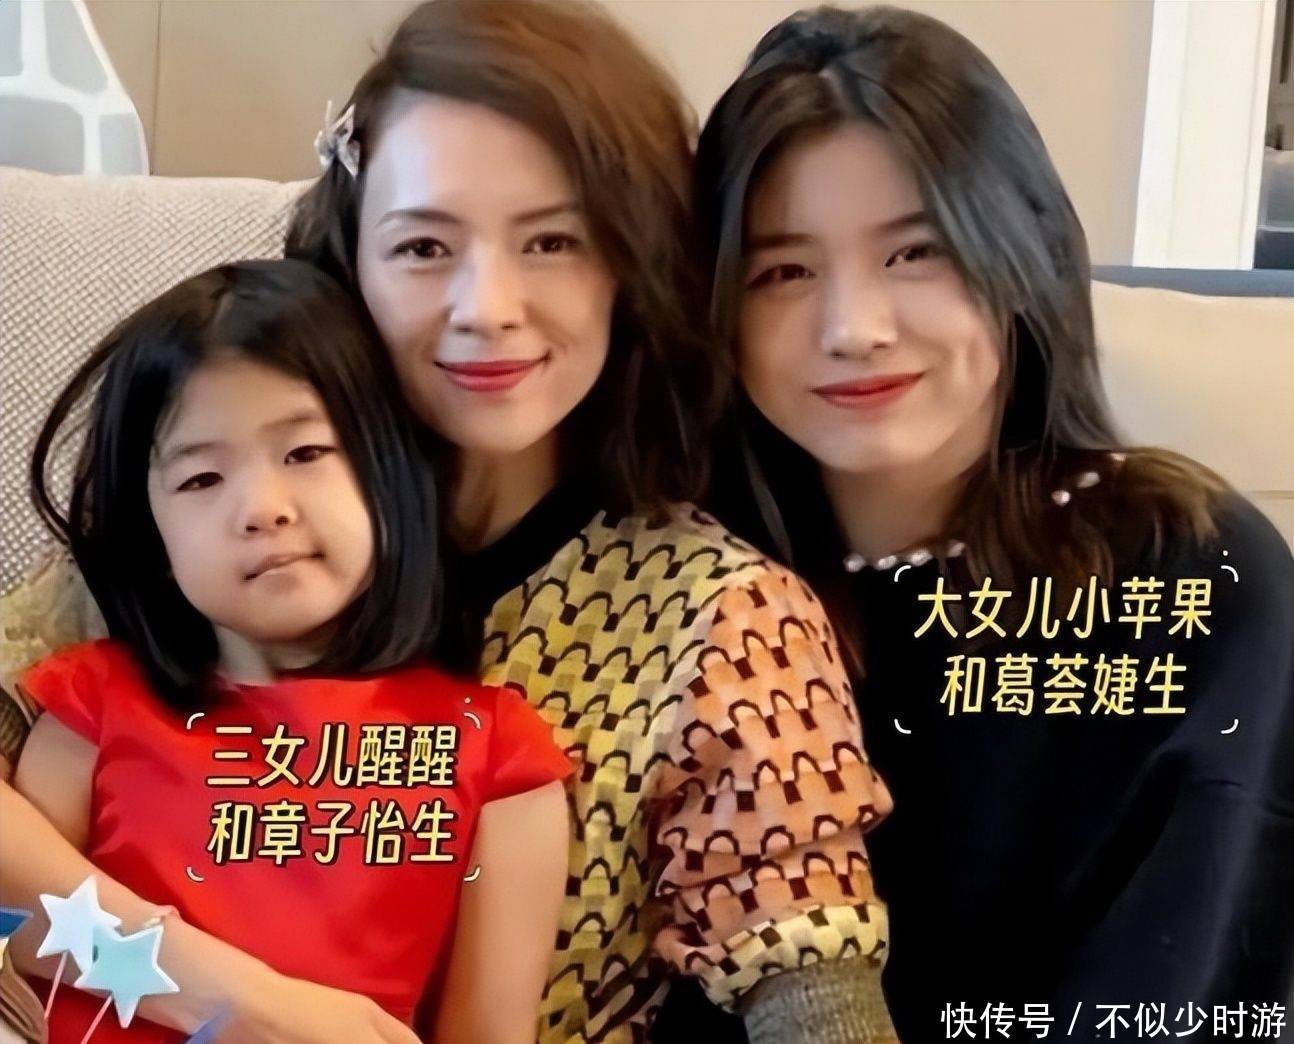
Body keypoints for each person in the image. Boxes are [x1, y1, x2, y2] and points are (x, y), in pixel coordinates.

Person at [694, 6, 1294, 1041]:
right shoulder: (696, 601)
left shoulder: (1196, 577)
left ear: (1020, 255)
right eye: (784, 270)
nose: (854, 328)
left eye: (914, 252)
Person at [1, 260, 572, 1043]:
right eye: (201, 479)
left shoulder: (498, 754)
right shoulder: (93, 702)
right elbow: (19, 921)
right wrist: (234, 1001)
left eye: (305, 453)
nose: (262, 509)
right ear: (153, 538)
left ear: (391, 471)